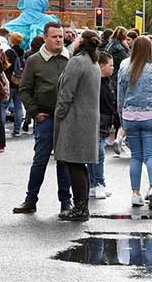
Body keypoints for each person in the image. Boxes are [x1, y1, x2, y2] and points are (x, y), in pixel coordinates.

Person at [13, 22, 73, 216]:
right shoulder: (34, 61)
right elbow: (25, 90)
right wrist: (34, 112)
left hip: (66, 118)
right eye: (54, 36)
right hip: (45, 117)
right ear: (45, 38)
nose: (58, 40)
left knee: (64, 161)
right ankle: (31, 200)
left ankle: (66, 201)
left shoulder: (69, 59)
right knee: (40, 160)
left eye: (61, 37)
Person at [54, 30, 102, 221]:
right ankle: (82, 206)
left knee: (74, 162)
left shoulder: (77, 61)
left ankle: (81, 208)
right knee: (78, 164)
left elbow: (67, 92)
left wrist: (59, 114)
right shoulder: (92, 62)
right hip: (87, 118)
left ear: (80, 42)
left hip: (75, 118)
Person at [118, 36, 152, 209]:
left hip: (130, 115)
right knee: (151, 155)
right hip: (151, 115)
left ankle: (135, 193)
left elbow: (120, 93)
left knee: (136, 157)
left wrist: (121, 115)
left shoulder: (125, 67)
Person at [89, 52, 115, 200]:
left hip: (104, 121)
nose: (112, 68)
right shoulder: (95, 82)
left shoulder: (106, 81)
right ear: (100, 65)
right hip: (97, 120)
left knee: (97, 152)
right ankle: (98, 183)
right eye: (110, 65)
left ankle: (94, 183)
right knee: (98, 153)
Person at [5, 32, 25, 137]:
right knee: (18, 106)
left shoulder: (10, 52)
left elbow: (6, 66)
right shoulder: (23, 52)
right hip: (20, 82)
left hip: (10, 82)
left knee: (3, 106)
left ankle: (1, 127)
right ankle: (17, 129)